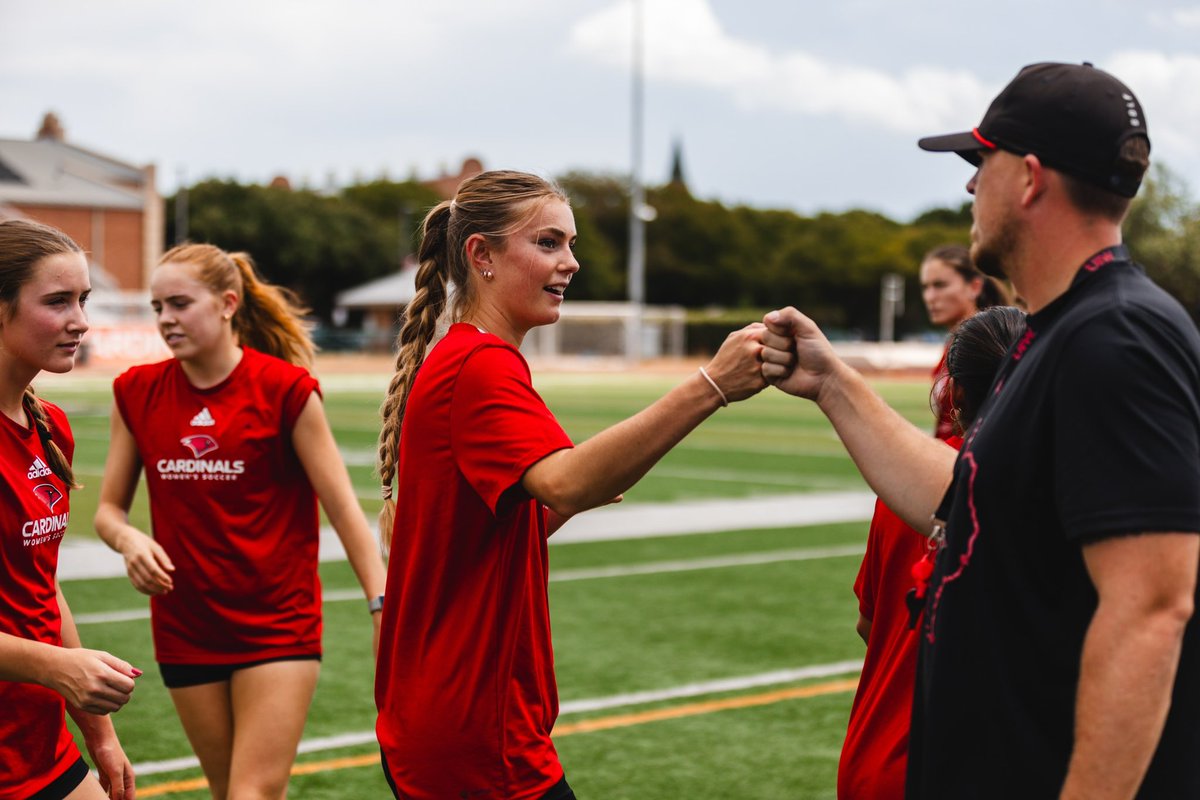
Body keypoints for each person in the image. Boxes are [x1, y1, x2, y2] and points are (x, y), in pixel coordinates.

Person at [761, 61, 1200, 799]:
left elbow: (1150, 611)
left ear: (1028, 178)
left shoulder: (1116, 337)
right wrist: (833, 384)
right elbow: (972, 498)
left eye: (979, 162)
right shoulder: (1059, 331)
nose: (969, 187)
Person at [373, 170, 767, 800]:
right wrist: (711, 386)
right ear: (482, 255)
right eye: (550, 243)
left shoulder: (465, 355)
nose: (572, 263)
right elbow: (566, 481)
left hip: (443, 719)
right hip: (477, 735)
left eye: (571, 244)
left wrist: (574, 489)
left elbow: (502, 517)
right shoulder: (480, 364)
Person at [94, 243, 388, 800]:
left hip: (277, 625)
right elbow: (109, 510)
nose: (165, 320)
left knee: (251, 794)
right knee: (227, 788)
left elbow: (343, 506)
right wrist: (128, 538)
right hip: (185, 628)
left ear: (228, 303)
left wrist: (380, 602)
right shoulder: (134, 391)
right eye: (157, 307)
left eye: (180, 303)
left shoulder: (286, 390)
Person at [837, 305, 1026, 800]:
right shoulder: (1052, 492)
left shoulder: (900, 490)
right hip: (967, 769)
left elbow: (869, 622)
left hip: (875, 762)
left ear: (955, 393)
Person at [0, 219, 139, 800]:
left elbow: (41, 588)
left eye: (83, 299)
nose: (80, 320)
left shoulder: (49, 425)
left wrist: (100, 736)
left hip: (40, 745)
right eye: (58, 302)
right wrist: (55, 669)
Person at [919, 244, 1011, 439]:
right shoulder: (954, 343)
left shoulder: (990, 343)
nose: (930, 297)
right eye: (925, 287)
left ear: (975, 287)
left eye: (940, 285)